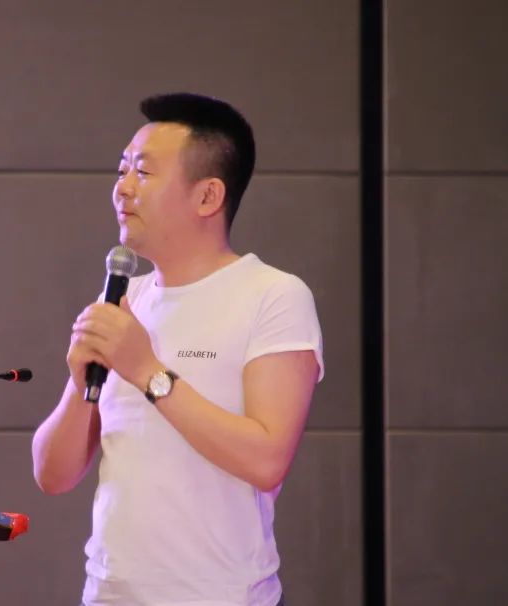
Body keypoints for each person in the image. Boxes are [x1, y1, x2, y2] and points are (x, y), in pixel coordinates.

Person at [31, 92, 324, 606]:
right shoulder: (124, 300)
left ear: (208, 196)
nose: (122, 188)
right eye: (122, 170)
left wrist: (148, 372)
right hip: (107, 594)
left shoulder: (273, 296)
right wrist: (80, 385)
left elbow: (267, 460)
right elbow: (52, 475)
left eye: (143, 172)